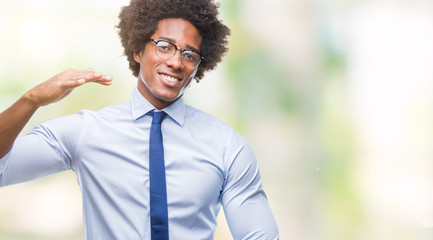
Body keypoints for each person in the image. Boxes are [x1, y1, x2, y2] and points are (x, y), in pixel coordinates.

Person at [0, 0, 279, 239]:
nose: (176, 62)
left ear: (199, 67)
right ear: (137, 50)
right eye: (164, 46)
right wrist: (31, 101)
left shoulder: (227, 147)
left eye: (189, 54)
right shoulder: (87, 132)